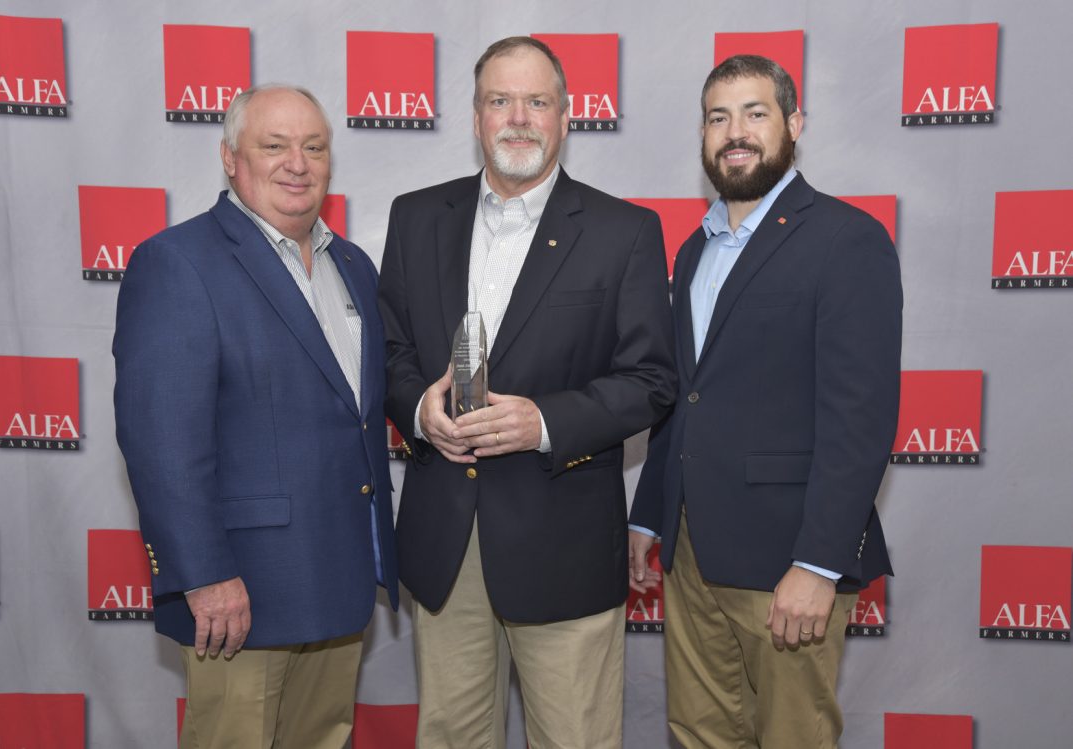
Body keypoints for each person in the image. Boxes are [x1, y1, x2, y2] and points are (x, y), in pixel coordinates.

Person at [377, 36, 675, 749]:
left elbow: (652, 381)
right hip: (447, 536)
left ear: (566, 116)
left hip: (563, 542)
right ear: (475, 117)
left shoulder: (624, 231)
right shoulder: (415, 216)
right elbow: (387, 352)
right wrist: (421, 409)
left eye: (537, 101)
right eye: (499, 100)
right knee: (451, 735)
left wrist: (544, 419)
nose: (518, 117)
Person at [628, 55, 902, 749]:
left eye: (755, 113)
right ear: (703, 134)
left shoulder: (848, 240)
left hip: (788, 560)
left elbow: (859, 420)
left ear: (794, 125)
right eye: (719, 117)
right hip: (691, 553)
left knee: (790, 737)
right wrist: (649, 517)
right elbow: (684, 395)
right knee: (699, 733)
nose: (735, 132)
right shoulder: (694, 249)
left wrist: (818, 564)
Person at [113, 84, 397, 749]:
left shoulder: (352, 266)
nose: (297, 163)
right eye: (274, 145)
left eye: (314, 146)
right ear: (230, 158)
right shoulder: (178, 262)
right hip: (239, 596)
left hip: (339, 578)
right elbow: (162, 441)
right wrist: (204, 574)